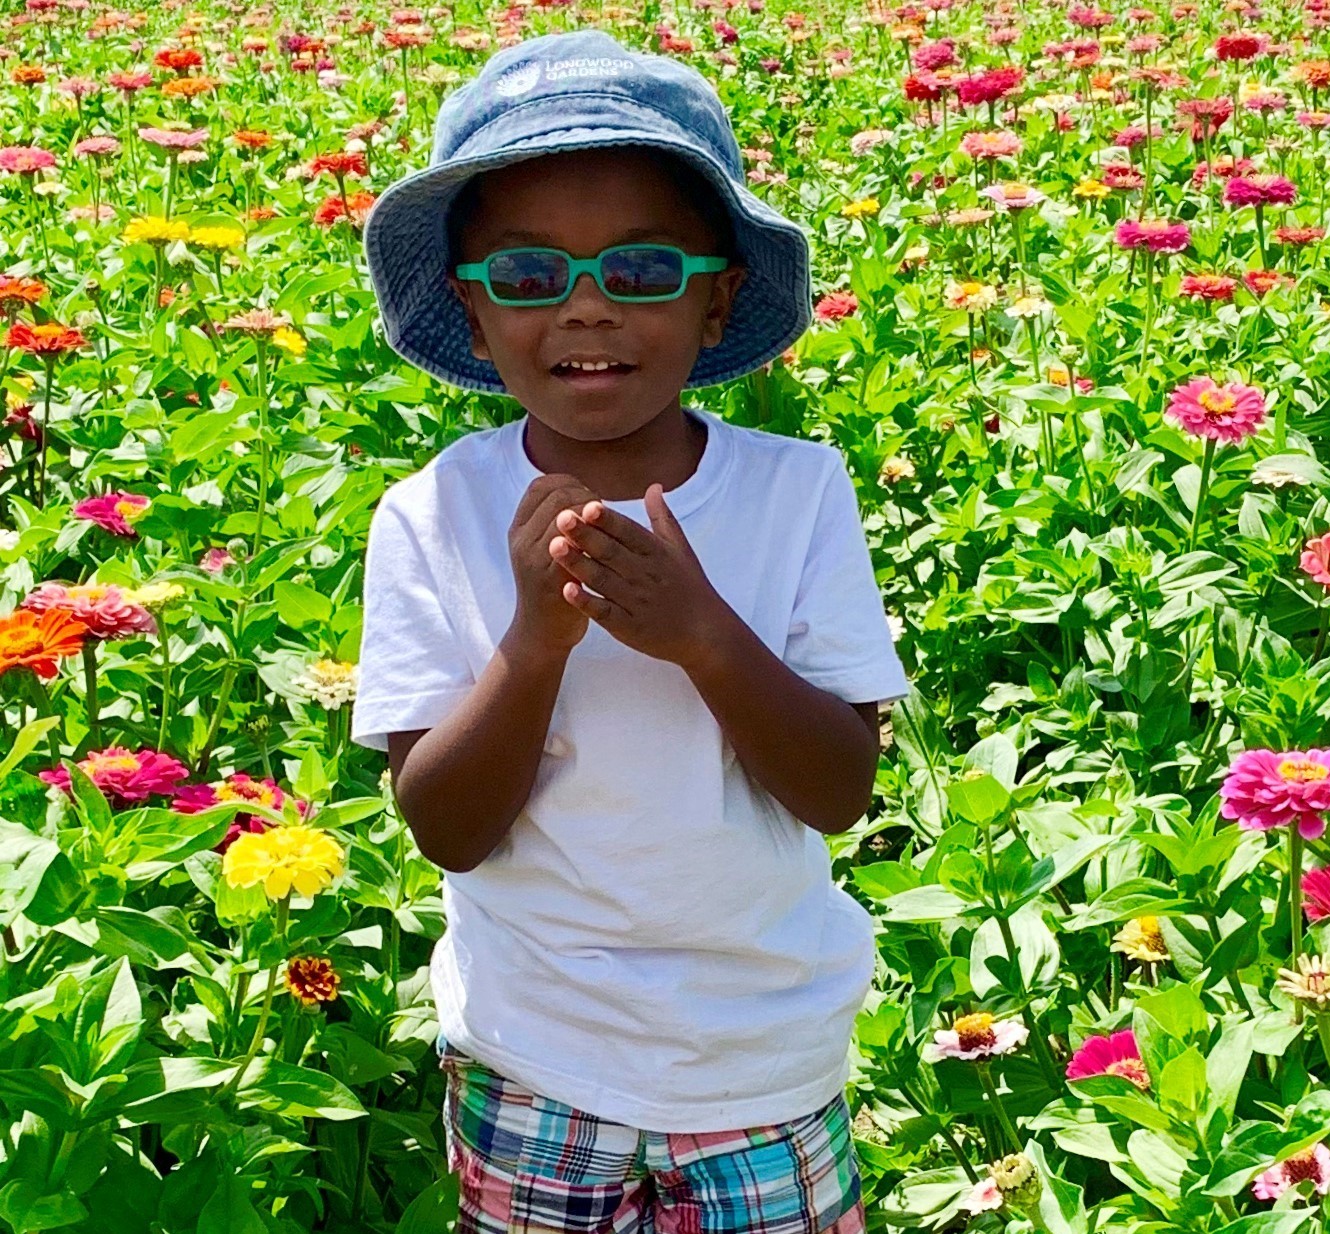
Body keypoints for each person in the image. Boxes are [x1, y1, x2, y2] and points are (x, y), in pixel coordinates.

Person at [353, 27, 909, 1234]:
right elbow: (447, 829)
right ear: (473, 307)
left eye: (645, 271)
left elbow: (838, 789)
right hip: (533, 1050)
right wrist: (532, 647)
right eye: (528, 275)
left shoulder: (798, 490)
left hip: (760, 1056)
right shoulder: (433, 514)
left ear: (716, 298)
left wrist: (702, 632)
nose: (588, 308)